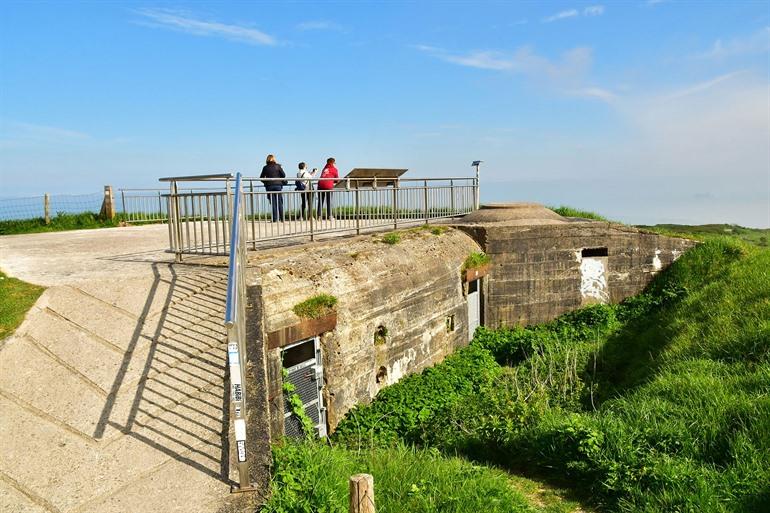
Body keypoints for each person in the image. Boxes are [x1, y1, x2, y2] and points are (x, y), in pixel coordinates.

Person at [260, 154, 287, 222]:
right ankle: (282, 219)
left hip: (269, 186)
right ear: (274, 159)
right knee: (279, 202)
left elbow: (261, 178)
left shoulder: (265, 167)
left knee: (273, 203)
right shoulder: (278, 166)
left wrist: (266, 183)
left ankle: (275, 219)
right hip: (278, 186)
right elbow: (283, 175)